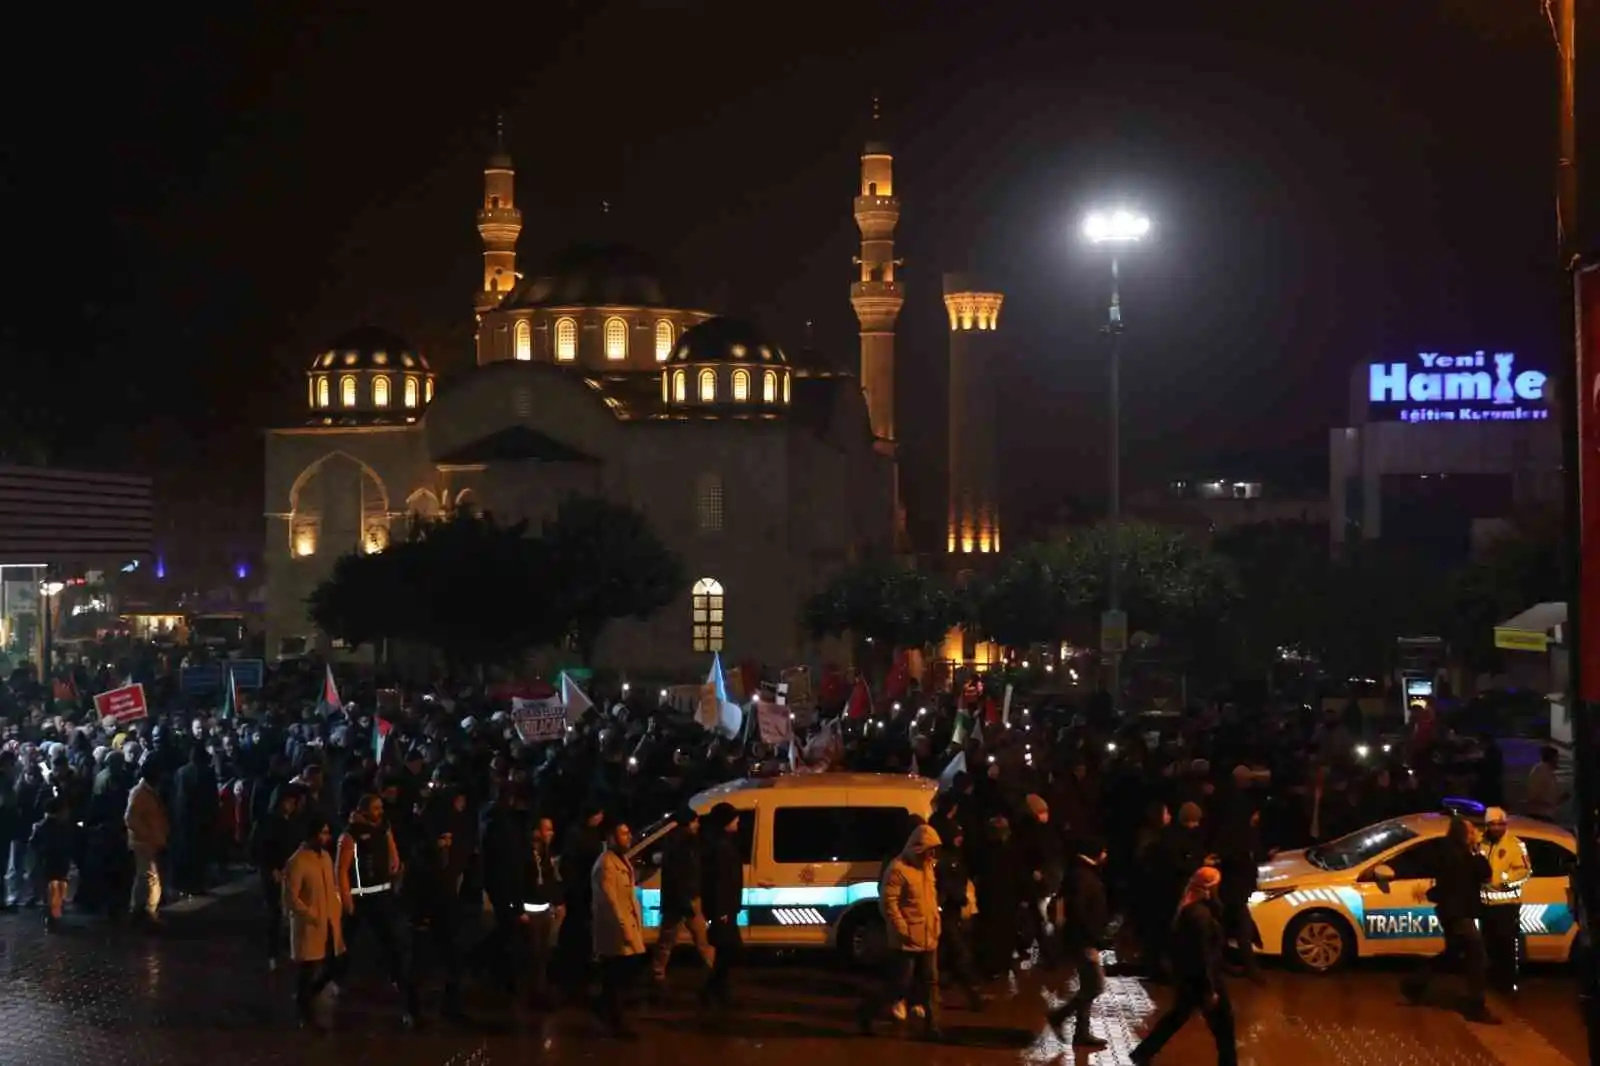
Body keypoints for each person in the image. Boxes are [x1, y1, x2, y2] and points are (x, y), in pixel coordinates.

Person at [1130, 866, 1237, 1066]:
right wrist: (1209, 989)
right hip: (1204, 980)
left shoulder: (1189, 908)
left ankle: (1142, 1053)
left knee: (1177, 1017)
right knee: (1224, 1027)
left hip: (1189, 978)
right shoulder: (1200, 915)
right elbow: (1203, 954)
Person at [334, 793, 420, 1028]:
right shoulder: (350, 835)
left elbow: (394, 858)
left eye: (381, 807)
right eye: (375, 807)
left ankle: (403, 991)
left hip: (382, 896)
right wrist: (346, 899)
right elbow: (341, 869)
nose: (380, 811)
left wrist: (395, 869)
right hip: (362, 898)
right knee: (347, 944)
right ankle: (331, 980)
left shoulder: (383, 828)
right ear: (363, 809)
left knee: (393, 945)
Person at [1402, 816, 1494, 1023]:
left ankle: (1414, 983)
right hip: (1458, 914)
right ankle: (1476, 1006)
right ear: (1463, 834)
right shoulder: (1461, 855)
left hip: (1451, 912)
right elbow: (1485, 873)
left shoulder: (1449, 851)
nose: (1475, 834)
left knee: (1453, 955)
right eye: (1471, 832)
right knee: (1477, 955)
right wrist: (1477, 850)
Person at [858, 823, 944, 1042]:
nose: (932, 854)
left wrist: (936, 923)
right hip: (906, 939)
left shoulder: (928, 868)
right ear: (918, 848)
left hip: (928, 935)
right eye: (929, 849)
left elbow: (930, 900)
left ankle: (933, 1027)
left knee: (930, 982)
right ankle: (866, 1012)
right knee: (899, 984)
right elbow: (888, 903)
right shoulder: (898, 869)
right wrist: (901, 928)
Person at [283, 815, 345, 1031]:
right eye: (322, 833)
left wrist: (335, 908)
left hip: (327, 921)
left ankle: (306, 998)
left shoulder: (326, 857)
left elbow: (331, 885)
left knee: (331, 964)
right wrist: (310, 914)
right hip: (310, 924)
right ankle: (304, 1010)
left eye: (327, 833)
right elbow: (291, 897)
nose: (326, 837)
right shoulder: (297, 861)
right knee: (308, 968)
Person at [1048, 837, 1109, 1050]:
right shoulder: (1083, 875)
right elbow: (1079, 911)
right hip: (1083, 940)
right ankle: (1060, 1016)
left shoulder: (1079, 871)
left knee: (1088, 986)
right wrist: (1094, 937)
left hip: (1081, 938)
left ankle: (1081, 1032)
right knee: (1095, 986)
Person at [405, 812, 465, 1022]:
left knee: (453, 963)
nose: (447, 843)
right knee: (419, 966)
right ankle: (413, 1010)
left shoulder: (448, 857)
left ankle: (450, 1007)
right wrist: (419, 918)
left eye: (449, 838)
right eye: (443, 838)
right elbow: (412, 890)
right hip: (427, 918)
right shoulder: (421, 859)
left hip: (446, 916)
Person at [591, 818, 646, 1039]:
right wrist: (624, 930)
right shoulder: (606, 864)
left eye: (628, 832)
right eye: (623, 834)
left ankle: (608, 1012)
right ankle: (614, 1019)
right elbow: (609, 902)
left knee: (617, 979)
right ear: (612, 838)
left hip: (624, 928)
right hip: (616, 932)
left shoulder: (620, 859)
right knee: (616, 978)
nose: (629, 837)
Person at [651, 806, 713, 988]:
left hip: (677, 900)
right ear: (688, 823)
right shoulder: (685, 844)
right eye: (695, 821)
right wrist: (687, 899)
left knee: (667, 940)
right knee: (701, 938)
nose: (698, 825)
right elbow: (682, 875)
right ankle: (714, 970)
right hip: (685, 899)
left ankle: (658, 972)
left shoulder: (676, 842)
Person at [250, 783, 304, 971]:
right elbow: (257, 849)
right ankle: (272, 953)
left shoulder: (295, 821)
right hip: (273, 872)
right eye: (287, 801)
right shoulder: (267, 821)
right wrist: (271, 868)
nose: (290, 805)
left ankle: (290, 948)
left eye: (293, 802)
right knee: (275, 912)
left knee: (292, 911)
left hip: (292, 871)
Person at [1478, 807, 1531, 994]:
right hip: (1486, 906)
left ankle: (1508, 985)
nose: (1498, 828)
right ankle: (1494, 980)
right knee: (1489, 945)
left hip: (1507, 906)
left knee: (1507, 948)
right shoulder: (1481, 843)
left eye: (1501, 824)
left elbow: (1525, 872)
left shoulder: (1515, 845)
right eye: (1494, 825)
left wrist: (1504, 881)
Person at [699, 802, 743, 1012]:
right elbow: (718, 882)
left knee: (726, 952)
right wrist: (722, 911)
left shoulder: (723, 843)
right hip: (723, 911)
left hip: (726, 909)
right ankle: (712, 991)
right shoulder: (719, 846)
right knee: (729, 950)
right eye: (735, 818)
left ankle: (717, 991)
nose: (738, 821)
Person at [519, 814, 565, 1007]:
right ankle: (531, 994)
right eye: (547, 829)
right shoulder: (525, 853)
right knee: (533, 954)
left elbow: (549, 881)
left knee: (543, 954)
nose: (551, 833)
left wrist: (557, 902)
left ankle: (540, 992)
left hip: (544, 909)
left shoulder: (546, 853)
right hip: (530, 911)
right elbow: (520, 881)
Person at [124, 761, 169, 927]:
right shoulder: (140, 793)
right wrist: (148, 835)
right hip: (144, 843)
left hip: (147, 842)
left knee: (143, 878)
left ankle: (137, 910)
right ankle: (150, 911)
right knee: (152, 878)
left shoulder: (147, 792)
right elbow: (130, 818)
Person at [29, 795, 75, 933]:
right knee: (53, 893)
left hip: (53, 865)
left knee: (54, 893)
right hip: (52, 864)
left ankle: (53, 919)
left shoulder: (45, 826)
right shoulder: (53, 827)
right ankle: (52, 921)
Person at [1524, 746, 1566, 822]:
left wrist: (1559, 799)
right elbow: (1535, 794)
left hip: (1545, 814)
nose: (1558, 761)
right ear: (1552, 758)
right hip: (1540, 815)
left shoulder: (1548, 772)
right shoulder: (1541, 771)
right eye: (1556, 758)